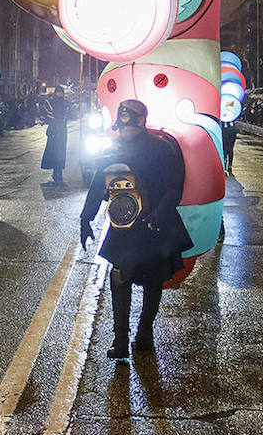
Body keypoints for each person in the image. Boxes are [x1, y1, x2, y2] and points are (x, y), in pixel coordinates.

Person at [79, 100, 190, 362]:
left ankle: (145, 332)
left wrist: (158, 215)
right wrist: (86, 218)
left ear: (140, 122)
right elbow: (97, 185)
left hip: (152, 225)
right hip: (123, 227)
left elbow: (174, 187)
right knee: (119, 279)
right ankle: (120, 341)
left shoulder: (160, 149)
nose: (124, 131)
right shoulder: (112, 149)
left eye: (129, 125)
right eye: (121, 125)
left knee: (153, 282)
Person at [40, 93, 68, 184]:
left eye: (60, 92)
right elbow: (47, 114)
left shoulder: (64, 103)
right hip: (54, 132)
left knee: (60, 153)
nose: (59, 94)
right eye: (58, 92)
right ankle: (56, 173)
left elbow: (69, 114)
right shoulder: (52, 103)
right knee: (54, 152)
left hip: (61, 131)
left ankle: (58, 173)